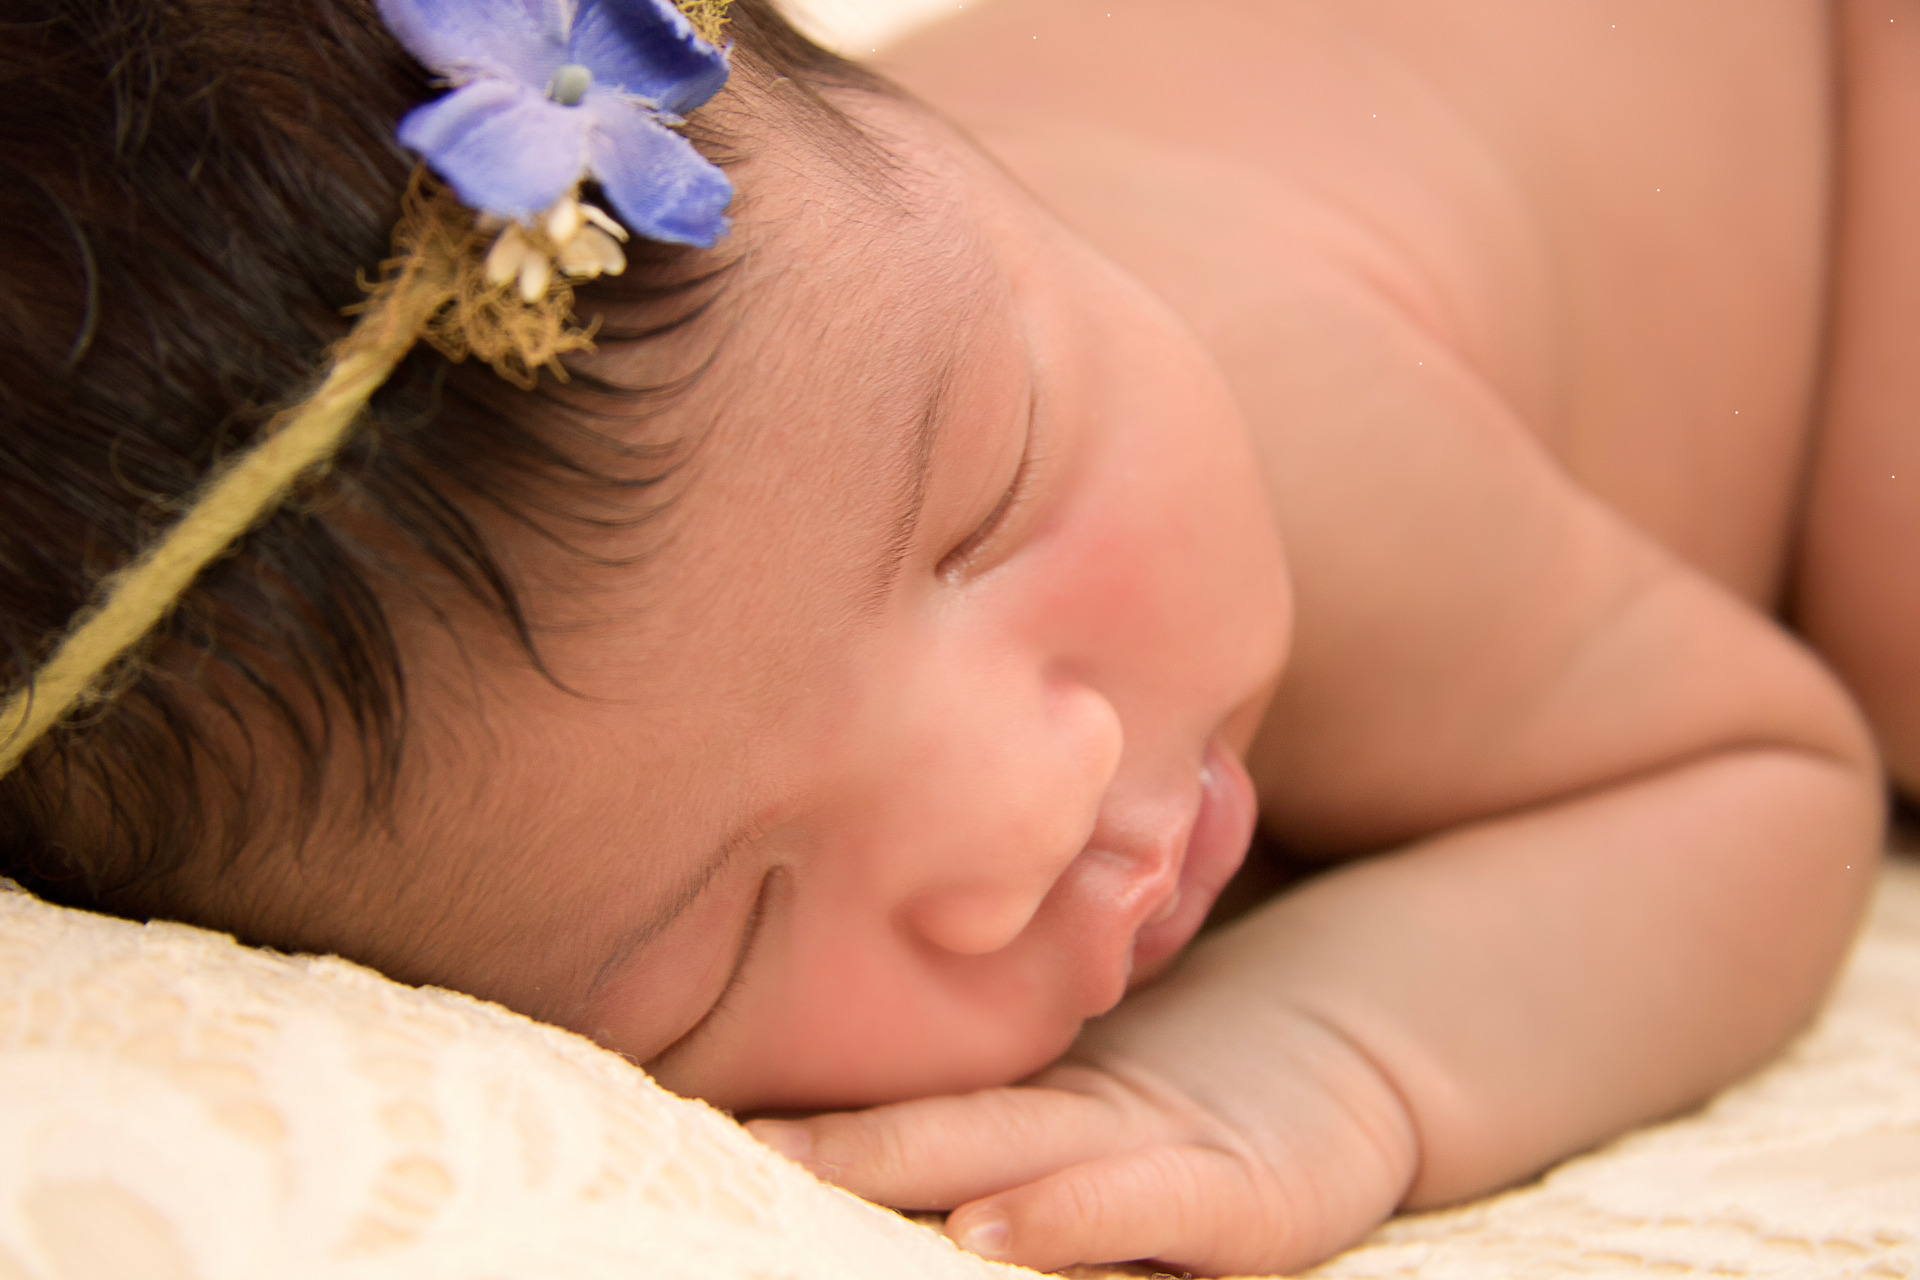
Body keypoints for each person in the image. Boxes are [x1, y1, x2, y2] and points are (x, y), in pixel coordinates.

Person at [0, 0, 1909, 1272]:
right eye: (729, 935)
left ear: (927, 132)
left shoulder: (1293, 399)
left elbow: (1754, 770)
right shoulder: (903, 361)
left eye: (994, 494)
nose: (1036, 807)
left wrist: (1321, 1061)